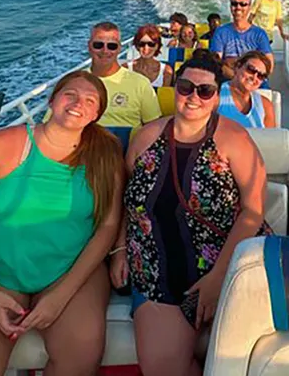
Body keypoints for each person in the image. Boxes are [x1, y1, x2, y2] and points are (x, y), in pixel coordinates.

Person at [0, 71, 125, 376]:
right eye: (70, 94)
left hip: (69, 273)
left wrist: (60, 297)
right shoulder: (1, 146)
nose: (78, 103)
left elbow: (106, 228)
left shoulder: (106, 158)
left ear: (96, 115)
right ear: (52, 100)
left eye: (89, 100)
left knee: (81, 354)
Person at [110, 53, 271, 376]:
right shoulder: (146, 137)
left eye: (205, 91)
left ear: (215, 97)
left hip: (228, 262)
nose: (193, 97)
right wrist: (120, 249)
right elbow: (128, 200)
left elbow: (253, 213)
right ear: (175, 90)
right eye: (185, 87)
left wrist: (216, 280)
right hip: (157, 268)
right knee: (162, 368)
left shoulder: (235, 140)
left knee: (256, 362)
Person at [47, 23, 161, 150]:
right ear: (89, 46)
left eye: (111, 46)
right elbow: (51, 124)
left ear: (119, 49)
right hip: (80, 153)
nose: (105, 51)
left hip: (125, 154)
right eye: (98, 45)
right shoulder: (72, 83)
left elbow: (153, 128)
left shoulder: (140, 83)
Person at [209, 0, 273, 79]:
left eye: (243, 4)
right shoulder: (220, 32)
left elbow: (269, 66)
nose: (238, 7)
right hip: (227, 82)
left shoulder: (259, 34)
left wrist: (232, 62)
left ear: (249, 7)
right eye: (234, 4)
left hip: (254, 82)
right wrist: (238, 77)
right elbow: (215, 62)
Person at [217, 51, 276, 128]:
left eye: (261, 76)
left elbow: (272, 137)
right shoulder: (215, 95)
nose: (254, 77)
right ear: (238, 67)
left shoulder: (266, 105)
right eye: (251, 70)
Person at [129, 24, 173, 88]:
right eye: (142, 44)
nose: (146, 48)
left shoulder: (166, 71)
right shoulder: (126, 68)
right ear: (137, 46)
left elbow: (164, 96)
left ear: (157, 46)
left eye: (151, 44)